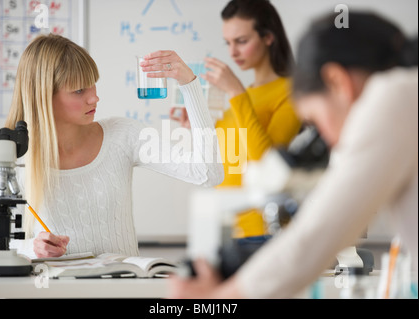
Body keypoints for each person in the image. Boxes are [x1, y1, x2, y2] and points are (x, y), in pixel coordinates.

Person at [168, 12, 418, 298]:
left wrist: (215, 301)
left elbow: (319, 234)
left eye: (317, 120)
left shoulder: (394, 97)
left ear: (338, 82)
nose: (330, 141)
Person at [7, 34, 224, 259]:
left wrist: (189, 84)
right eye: (79, 91)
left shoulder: (123, 134)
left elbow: (208, 173)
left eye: (92, 84)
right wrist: (31, 247)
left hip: (124, 289)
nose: (94, 98)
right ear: (43, 96)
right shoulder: (14, 156)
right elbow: (3, 245)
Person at [170, 0, 302, 238]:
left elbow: (266, 163)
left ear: (268, 37)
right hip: (227, 226)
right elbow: (228, 156)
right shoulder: (244, 94)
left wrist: (236, 92)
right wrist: (197, 127)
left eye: (241, 41)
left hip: (265, 231)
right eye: (228, 43)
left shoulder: (290, 92)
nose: (232, 52)